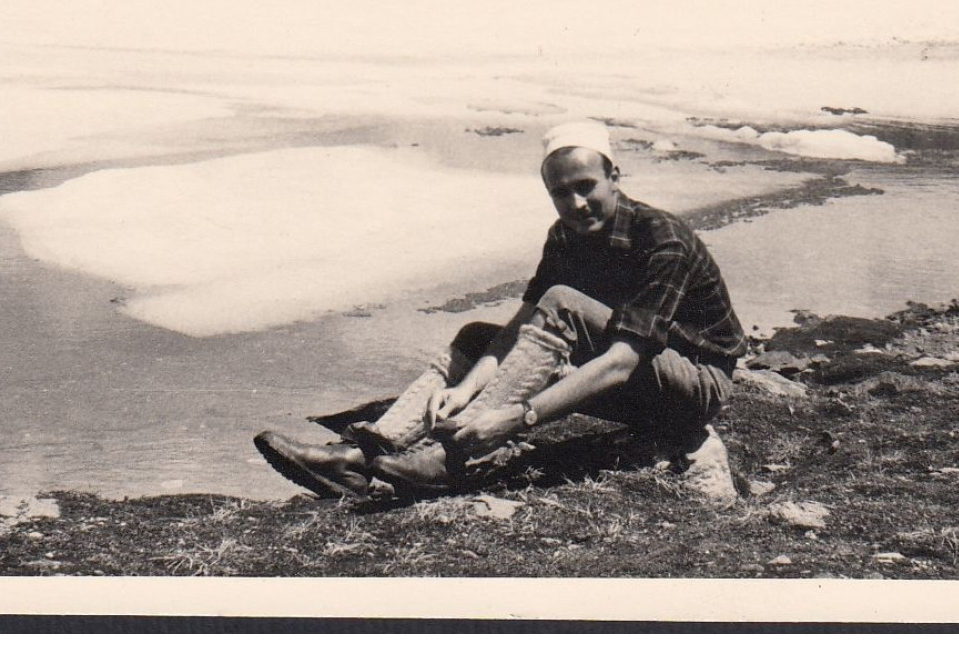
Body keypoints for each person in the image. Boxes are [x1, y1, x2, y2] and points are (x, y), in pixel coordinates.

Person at [253, 119, 746, 506]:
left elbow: (621, 360)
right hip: (634, 383)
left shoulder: (662, 238)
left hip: (693, 386)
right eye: (560, 192)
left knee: (562, 304)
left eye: (586, 185)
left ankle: (458, 456)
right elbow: (521, 324)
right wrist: (463, 389)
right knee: (476, 336)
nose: (575, 202)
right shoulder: (565, 236)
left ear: (615, 176)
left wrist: (517, 417)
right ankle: (362, 457)